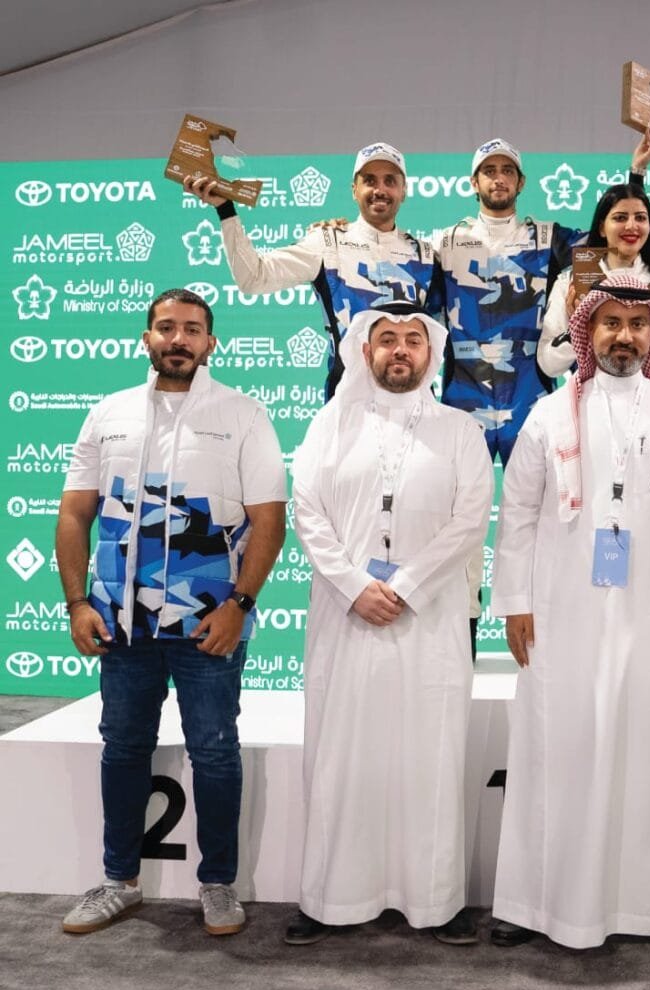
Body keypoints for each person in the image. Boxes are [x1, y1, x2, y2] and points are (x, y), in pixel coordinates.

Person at [489, 274, 650, 952]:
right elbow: (516, 513)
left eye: (637, 324)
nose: (623, 336)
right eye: (610, 323)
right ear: (588, 333)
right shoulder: (550, 414)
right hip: (563, 611)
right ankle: (534, 902)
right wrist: (514, 601)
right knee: (558, 746)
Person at [56, 288, 287, 936]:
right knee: (123, 747)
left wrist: (239, 605)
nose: (178, 338)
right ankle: (117, 881)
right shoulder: (108, 414)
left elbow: (269, 520)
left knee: (214, 751)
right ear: (147, 338)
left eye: (191, 329)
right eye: (166, 327)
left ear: (211, 342)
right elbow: (74, 513)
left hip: (208, 620)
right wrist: (77, 602)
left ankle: (218, 884)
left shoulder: (243, 414)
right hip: (120, 621)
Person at [286, 302, 493, 946]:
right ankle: (330, 898)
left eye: (413, 340)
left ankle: (435, 901)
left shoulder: (461, 430)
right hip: (345, 618)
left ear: (431, 355)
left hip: (429, 621)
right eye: (387, 340)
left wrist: (403, 586)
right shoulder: (330, 425)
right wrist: (355, 587)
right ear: (364, 351)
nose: (400, 350)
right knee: (341, 756)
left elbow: (470, 519)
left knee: (430, 758)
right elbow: (306, 512)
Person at [436, 131, 650, 465]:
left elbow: (610, 238)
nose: (499, 178)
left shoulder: (547, 238)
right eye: (489, 171)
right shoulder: (446, 242)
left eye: (507, 171)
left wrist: (637, 175)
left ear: (521, 182)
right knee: (459, 493)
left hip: (530, 393)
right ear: (474, 182)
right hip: (464, 395)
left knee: (537, 495)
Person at [183, 143, 444, 399]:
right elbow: (254, 277)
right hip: (349, 403)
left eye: (390, 181)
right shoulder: (327, 242)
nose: (380, 190)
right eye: (369, 181)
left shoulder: (425, 254)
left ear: (403, 191)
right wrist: (225, 209)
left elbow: (444, 329)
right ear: (354, 190)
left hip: (415, 401)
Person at [538, 182, 650, 385]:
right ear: (602, 228)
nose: (631, 226)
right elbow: (549, 365)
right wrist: (579, 326)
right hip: (592, 401)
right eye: (620, 218)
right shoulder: (571, 283)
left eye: (640, 218)